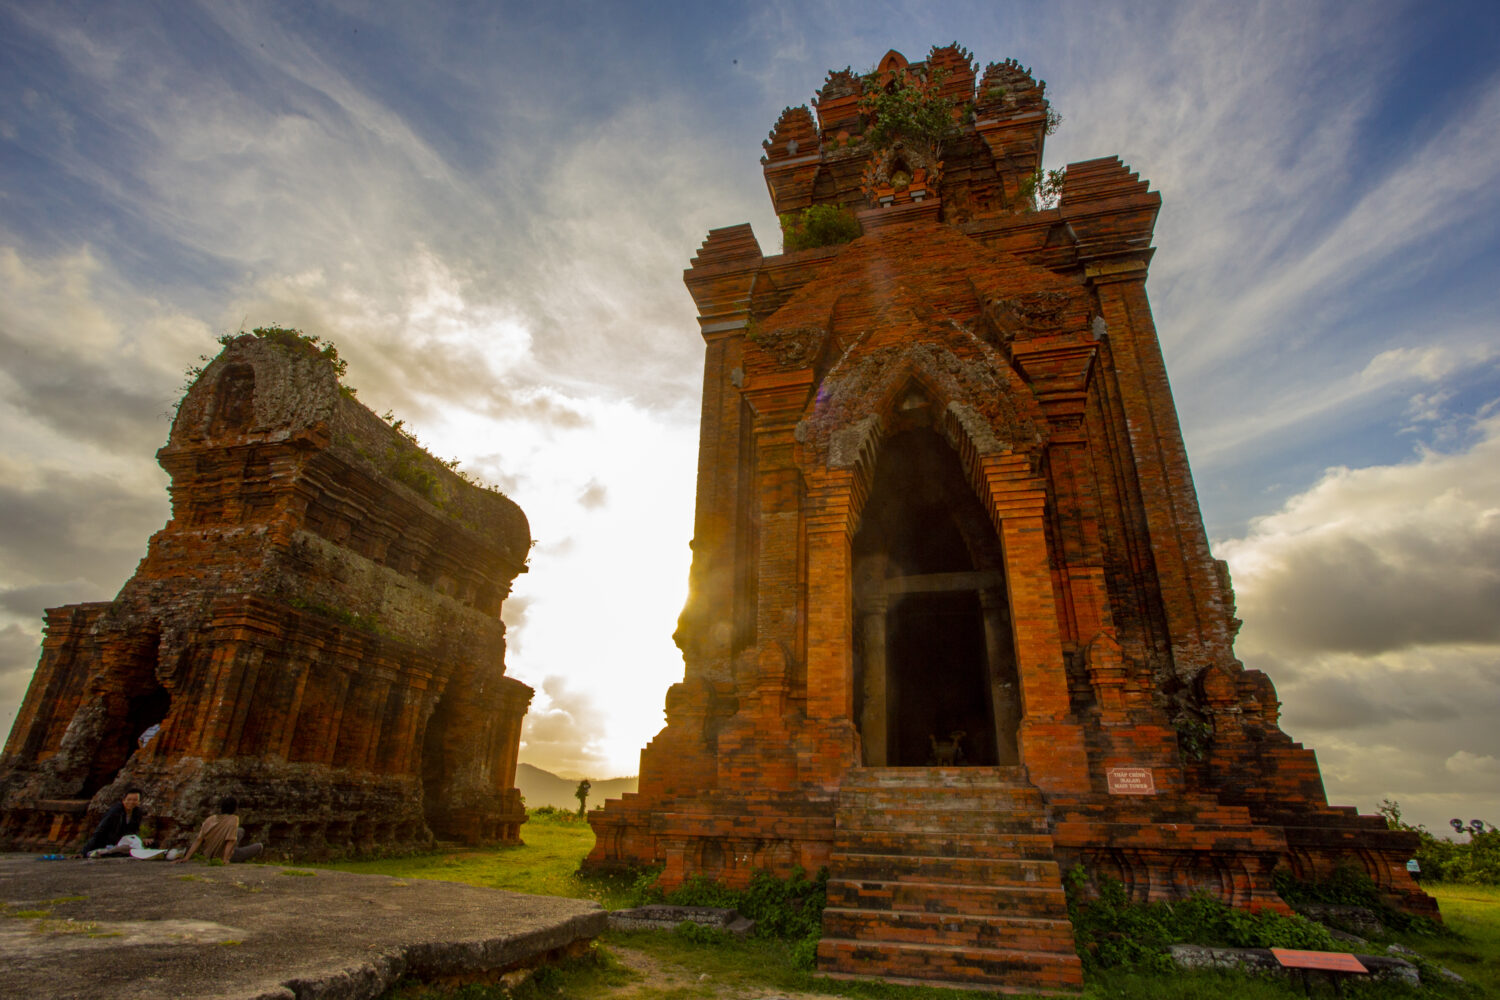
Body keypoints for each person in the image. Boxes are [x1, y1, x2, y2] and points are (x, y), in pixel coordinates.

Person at [172, 796, 264, 864]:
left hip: (209, 855)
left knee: (240, 831)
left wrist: (186, 857)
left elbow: (198, 840)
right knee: (259, 846)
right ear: (235, 808)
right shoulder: (234, 819)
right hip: (222, 856)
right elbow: (230, 841)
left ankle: (230, 852)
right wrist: (225, 859)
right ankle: (234, 856)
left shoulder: (210, 819)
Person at [81, 788, 145, 855]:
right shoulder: (115, 812)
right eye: (129, 799)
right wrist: (84, 851)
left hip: (123, 842)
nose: (131, 802)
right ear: (123, 800)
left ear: (139, 802)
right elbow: (100, 830)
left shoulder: (137, 813)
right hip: (108, 843)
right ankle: (97, 852)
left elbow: (134, 832)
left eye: (135, 800)